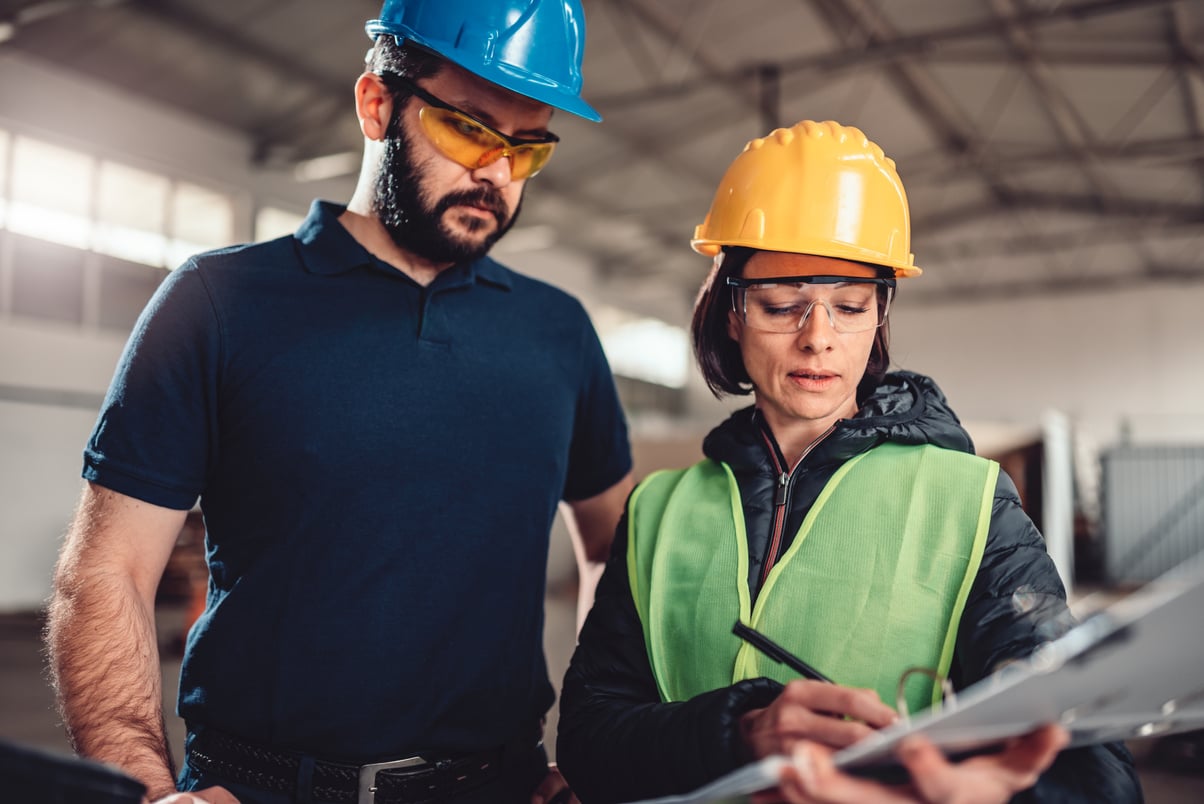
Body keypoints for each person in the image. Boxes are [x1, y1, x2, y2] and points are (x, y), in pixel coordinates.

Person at [45, 2, 634, 803]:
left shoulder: (556, 332)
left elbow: (614, 554)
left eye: (525, 149)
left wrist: (596, 745)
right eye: (469, 131)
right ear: (377, 105)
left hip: (500, 786)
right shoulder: (220, 303)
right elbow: (107, 571)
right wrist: (147, 790)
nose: (495, 174)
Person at [555, 120, 1142, 803]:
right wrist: (737, 732)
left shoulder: (972, 502)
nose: (819, 340)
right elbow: (591, 737)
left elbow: (1092, 764)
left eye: (851, 306)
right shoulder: (660, 509)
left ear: (881, 313)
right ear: (732, 312)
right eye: (782, 306)